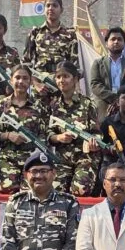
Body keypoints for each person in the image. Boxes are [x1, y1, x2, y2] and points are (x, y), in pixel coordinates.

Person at [46, 61, 101, 197]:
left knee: (80, 191)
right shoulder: (53, 105)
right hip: (62, 160)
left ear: (75, 79)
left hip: (85, 158)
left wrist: (94, 143)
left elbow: (96, 132)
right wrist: (58, 137)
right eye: (58, 77)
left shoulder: (88, 104)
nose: (61, 80)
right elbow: (48, 132)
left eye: (66, 76)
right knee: (53, 193)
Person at [0, 66, 48, 194]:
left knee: (30, 191)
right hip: (8, 156)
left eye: (25, 78)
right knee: (8, 189)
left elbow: (44, 134)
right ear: (11, 80)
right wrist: (8, 135)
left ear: (30, 81)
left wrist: (37, 152)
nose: (21, 81)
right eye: (17, 77)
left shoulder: (38, 106)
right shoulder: (1, 105)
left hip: (31, 157)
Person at [22, 0, 79, 80]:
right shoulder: (35, 33)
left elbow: (74, 63)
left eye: (55, 6)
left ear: (61, 10)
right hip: (40, 81)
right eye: (48, 5)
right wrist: (35, 83)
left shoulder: (70, 34)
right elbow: (26, 63)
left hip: (62, 80)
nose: (50, 8)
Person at [90, 27, 125, 121]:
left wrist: (123, 98)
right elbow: (94, 84)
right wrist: (114, 98)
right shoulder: (98, 63)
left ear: (124, 43)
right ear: (106, 43)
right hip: (103, 105)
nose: (116, 42)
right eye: (113, 39)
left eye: (119, 39)